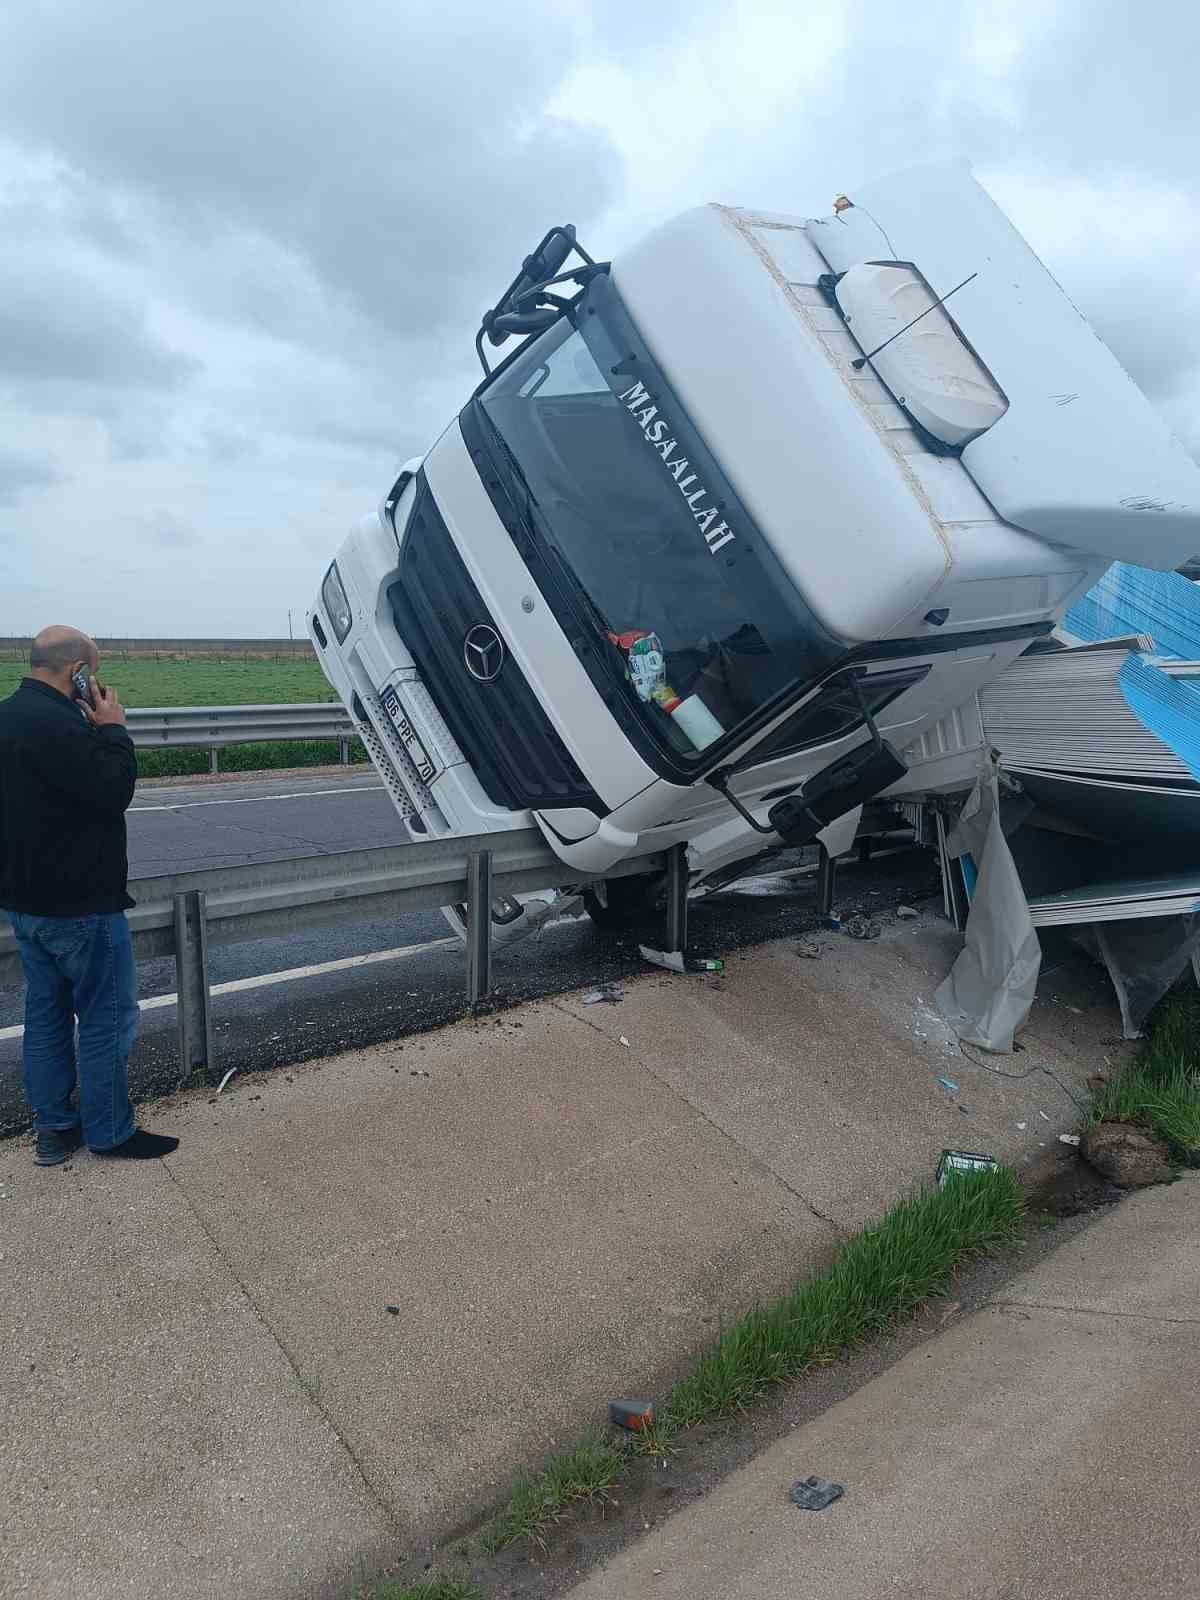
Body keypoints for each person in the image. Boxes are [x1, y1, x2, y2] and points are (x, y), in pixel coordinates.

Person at [0, 626, 178, 1165]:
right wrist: (113, 730)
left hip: (24, 902)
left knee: (47, 1016)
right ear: (77, 668)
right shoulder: (63, 725)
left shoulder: (6, 716)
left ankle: (54, 1130)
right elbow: (110, 792)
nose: (95, 683)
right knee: (106, 1018)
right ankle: (109, 1131)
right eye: (91, 673)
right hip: (81, 903)